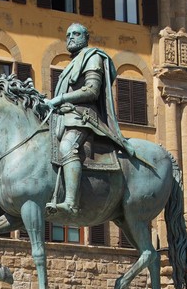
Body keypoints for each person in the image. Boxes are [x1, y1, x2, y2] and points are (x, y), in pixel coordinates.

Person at [45, 23, 132, 218]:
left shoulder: (93, 57)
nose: (71, 38)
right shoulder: (71, 64)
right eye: (68, 35)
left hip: (82, 117)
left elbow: (92, 90)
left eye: (76, 34)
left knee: (67, 147)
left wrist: (61, 99)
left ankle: (71, 203)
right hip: (64, 117)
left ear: (86, 37)